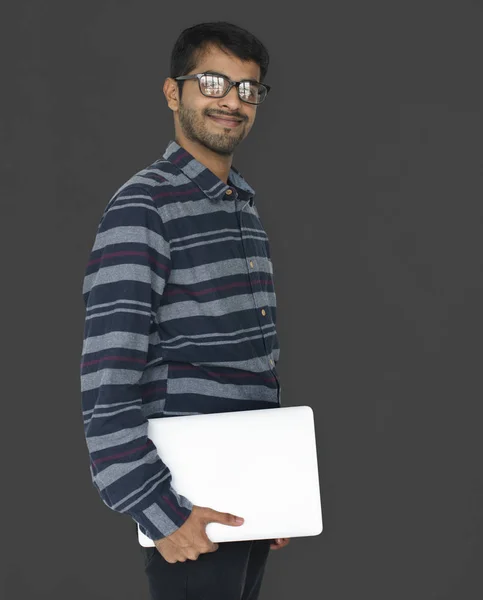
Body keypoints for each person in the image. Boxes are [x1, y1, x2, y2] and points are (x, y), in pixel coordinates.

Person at [80, 20, 288, 600]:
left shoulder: (240, 205)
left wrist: (273, 485)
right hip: (184, 502)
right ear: (174, 93)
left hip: (244, 495)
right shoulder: (143, 205)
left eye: (248, 89)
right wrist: (155, 509)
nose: (233, 102)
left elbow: (247, 368)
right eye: (214, 82)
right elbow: (107, 378)